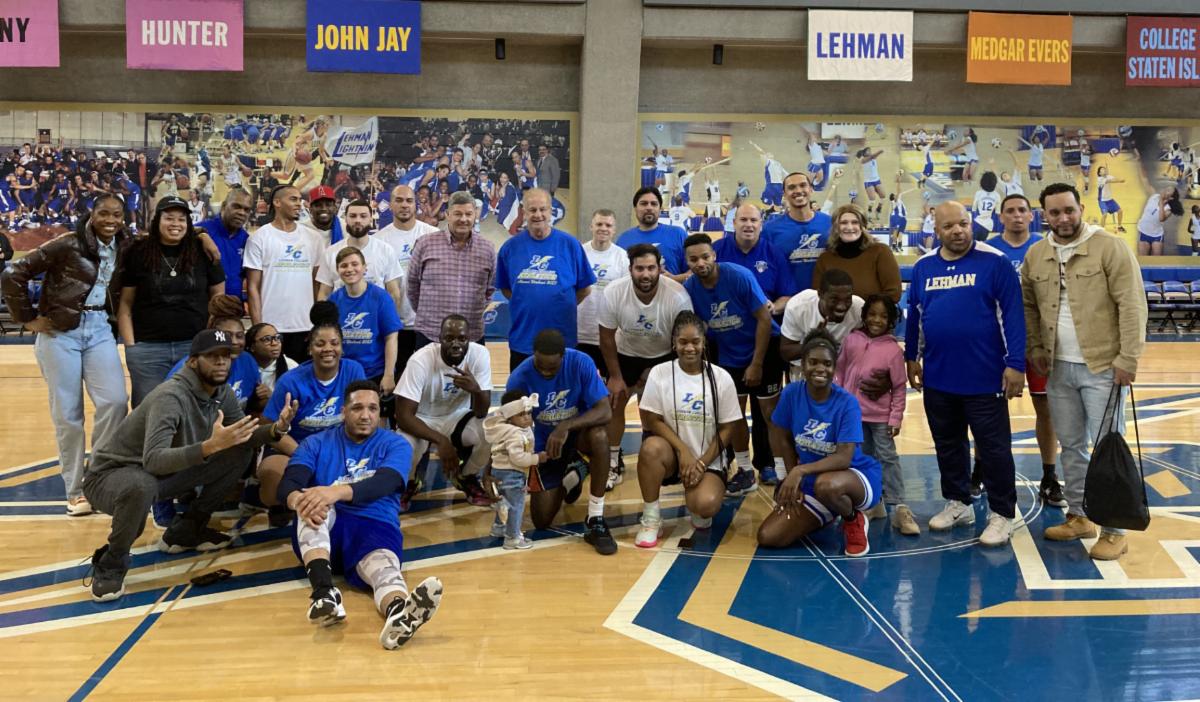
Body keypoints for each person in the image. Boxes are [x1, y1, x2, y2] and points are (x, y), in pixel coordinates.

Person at [82, 329, 298, 602]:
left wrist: (276, 430)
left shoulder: (222, 392)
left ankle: (187, 530)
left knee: (239, 452)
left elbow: (240, 434)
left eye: (226, 356)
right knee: (140, 485)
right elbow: (154, 460)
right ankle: (111, 563)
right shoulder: (170, 397)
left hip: (157, 477)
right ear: (193, 361)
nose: (221, 362)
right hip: (109, 478)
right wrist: (209, 447)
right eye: (212, 356)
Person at [1022, 182, 1147, 561]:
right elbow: (1028, 306)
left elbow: (1132, 304)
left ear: (1081, 208)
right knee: (1071, 446)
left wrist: (1129, 359)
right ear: (1044, 214)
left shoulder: (1110, 247)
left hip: (1104, 367)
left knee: (1107, 447)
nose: (1063, 218)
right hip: (1059, 367)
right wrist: (1036, 348)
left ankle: (1114, 529)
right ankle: (1079, 515)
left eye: (1069, 210)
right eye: (1054, 212)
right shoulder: (1036, 254)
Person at [278, 380, 442, 649]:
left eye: (372, 408)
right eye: (357, 408)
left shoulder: (395, 444)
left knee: (384, 570)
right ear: (343, 411)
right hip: (326, 531)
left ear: (380, 412)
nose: (365, 415)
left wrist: (336, 491)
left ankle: (399, 614)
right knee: (313, 505)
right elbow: (290, 482)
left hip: (374, 524)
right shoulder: (316, 443)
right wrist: (298, 499)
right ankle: (324, 592)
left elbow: (386, 482)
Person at [1, 193, 130, 515]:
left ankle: (97, 479)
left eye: (117, 214)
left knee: (115, 402)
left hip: (100, 326)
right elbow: (12, 273)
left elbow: (163, 237)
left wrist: (199, 234)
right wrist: (27, 318)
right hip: (60, 332)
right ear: (92, 213)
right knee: (68, 416)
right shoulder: (67, 243)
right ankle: (75, 492)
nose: (110, 220)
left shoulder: (126, 244)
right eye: (104, 214)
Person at [905, 201, 1025, 547]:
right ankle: (959, 502)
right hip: (940, 376)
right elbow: (915, 314)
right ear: (935, 230)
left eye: (963, 224)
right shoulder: (924, 266)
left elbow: (1014, 316)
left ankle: (1003, 513)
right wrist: (911, 356)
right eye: (949, 227)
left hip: (985, 376)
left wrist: (1015, 364)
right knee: (947, 443)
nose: (957, 231)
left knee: (994, 448)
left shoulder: (994, 262)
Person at [757, 328, 882, 556]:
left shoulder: (847, 403)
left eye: (827, 363)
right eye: (813, 362)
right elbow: (782, 438)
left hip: (854, 475)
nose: (820, 369)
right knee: (768, 536)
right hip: (812, 479)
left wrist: (799, 471)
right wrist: (788, 477)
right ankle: (826, 511)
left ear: (835, 368)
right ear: (802, 365)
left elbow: (844, 458)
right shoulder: (792, 394)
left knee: (827, 486)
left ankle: (853, 519)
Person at [682, 233, 789, 495]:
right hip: (730, 355)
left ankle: (782, 472)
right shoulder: (691, 288)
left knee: (770, 414)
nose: (700, 263)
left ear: (714, 255)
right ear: (687, 261)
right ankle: (744, 470)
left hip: (764, 348)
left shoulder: (738, 276)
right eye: (693, 259)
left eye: (705, 256)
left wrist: (757, 364)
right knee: (734, 415)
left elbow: (764, 319)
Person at [634, 311, 742, 548]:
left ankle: (696, 493)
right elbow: (652, 419)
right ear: (674, 343)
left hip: (708, 459)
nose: (689, 348)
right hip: (674, 455)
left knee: (704, 508)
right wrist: (683, 451)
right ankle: (652, 518)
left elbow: (727, 429)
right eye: (683, 342)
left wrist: (701, 462)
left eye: (695, 342)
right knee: (651, 448)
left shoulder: (721, 378)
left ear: (704, 343)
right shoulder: (660, 373)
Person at [505, 329, 616, 555]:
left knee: (600, 436)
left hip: (579, 435)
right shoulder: (519, 378)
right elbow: (510, 428)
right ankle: (574, 474)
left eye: (552, 367)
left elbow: (605, 411)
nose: (545, 372)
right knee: (542, 520)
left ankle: (596, 517)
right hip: (546, 447)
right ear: (532, 354)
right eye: (540, 366)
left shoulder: (581, 362)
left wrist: (565, 426)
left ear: (563, 357)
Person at [988, 194, 1066, 507]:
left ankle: (1049, 476)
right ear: (1001, 216)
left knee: (1045, 410)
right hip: (996, 340)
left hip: (1036, 340)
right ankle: (982, 470)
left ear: (1032, 216)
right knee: (989, 410)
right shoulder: (990, 250)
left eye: (1023, 210)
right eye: (1011, 211)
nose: (1017, 215)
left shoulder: (1044, 247)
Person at [598, 244, 693, 491]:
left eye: (651, 268)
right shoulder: (613, 292)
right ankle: (613, 460)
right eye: (639, 268)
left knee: (657, 411)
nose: (646, 274)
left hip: (664, 355)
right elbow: (606, 337)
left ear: (660, 268)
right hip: (626, 353)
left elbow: (685, 341)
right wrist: (616, 377)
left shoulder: (678, 296)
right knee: (615, 401)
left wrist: (658, 373)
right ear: (630, 269)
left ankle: (660, 450)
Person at [257, 304, 367, 516]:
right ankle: (267, 499)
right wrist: (306, 455)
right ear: (310, 348)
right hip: (293, 446)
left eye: (334, 343)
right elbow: (267, 427)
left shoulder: (354, 370)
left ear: (342, 347)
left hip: (337, 445)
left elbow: (365, 416)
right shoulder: (291, 381)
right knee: (275, 479)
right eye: (320, 344)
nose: (328, 349)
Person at [118, 195, 226, 407]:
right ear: (157, 220)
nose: (175, 224)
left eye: (181, 219)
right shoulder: (138, 252)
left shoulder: (203, 250)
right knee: (148, 412)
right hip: (147, 349)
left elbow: (218, 300)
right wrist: (132, 347)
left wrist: (207, 339)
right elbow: (125, 304)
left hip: (194, 347)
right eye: (169, 218)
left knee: (192, 409)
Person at [394, 314, 493, 507]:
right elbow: (403, 416)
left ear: (469, 339)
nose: (456, 344)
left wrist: (476, 391)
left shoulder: (479, 355)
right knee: (403, 445)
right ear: (439, 339)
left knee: (490, 429)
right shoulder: (421, 360)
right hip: (421, 419)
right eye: (449, 338)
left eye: (462, 339)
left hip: (455, 417)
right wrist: (441, 441)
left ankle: (466, 478)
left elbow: (482, 412)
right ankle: (410, 482)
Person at [836, 295, 915, 534]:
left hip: (880, 418)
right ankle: (874, 502)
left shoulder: (893, 351)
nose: (876, 320)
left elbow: (899, 387)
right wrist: (838, 404)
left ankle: (899, 506)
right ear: (864, 316)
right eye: (872, 314)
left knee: (887, 458)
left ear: (891, 320)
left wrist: (895, 417)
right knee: (864, 459)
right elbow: (839, 371)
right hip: (853, 416)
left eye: (883, 316)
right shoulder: (851, 340)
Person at [495, 188, 595, 371]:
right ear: (524, 212)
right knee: (522, 399)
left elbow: (585, 288)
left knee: (562, 397)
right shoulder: (509, 248)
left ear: (551, 211)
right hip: (523, 342)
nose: (538, 215)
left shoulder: (571, 245)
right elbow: (507, 289)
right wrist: (528, 301)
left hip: (563, 341)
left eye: (543, 209)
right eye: (532, 210)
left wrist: (561, 303)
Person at [406, 191, 496, 346]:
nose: (463, 219)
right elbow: (412, 286)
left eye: (468, 214)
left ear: (475, 215)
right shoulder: (425, 244)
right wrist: (429, 315)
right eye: (457, 214)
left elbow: (490, 290)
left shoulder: (487, 249)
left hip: (470, 334)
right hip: (431, 334)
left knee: (469, 372)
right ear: (447, 214)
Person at [244, 185, 321, 363]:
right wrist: (259, 329)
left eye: (300, 200)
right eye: (293, 199)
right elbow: (253, 287)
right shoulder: (259, 238)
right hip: (272, 328)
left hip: (306, 327)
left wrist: (318, 325)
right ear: (277, 202)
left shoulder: (313, 238)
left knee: (302, 385)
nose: (299, 204)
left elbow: (318, 284)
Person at [374, 185, 440, 375]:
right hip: (396, 325)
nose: (404, 205)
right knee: (399, 380)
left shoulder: (433, 235)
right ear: (391, 205)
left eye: (409, 201)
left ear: (416, 205)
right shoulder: (379, 240)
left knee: (427, 379)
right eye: (399, 200)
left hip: (428, 324)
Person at [328, 247, 402, 396]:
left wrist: (388, 375)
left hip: (375, 372)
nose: (349, 269)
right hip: (344, 373)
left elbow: (391, 338)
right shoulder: (333, 300)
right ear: (337, 270)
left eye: (354, 264)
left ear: (364, 268)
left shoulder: (381, 298)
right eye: (344, 265)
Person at [482, 391, 543, 550]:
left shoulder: (509, 429)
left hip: (499, 471)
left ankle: (499, 527)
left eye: (529, 413)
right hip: (512, 473)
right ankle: (513, 538)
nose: (527, 417)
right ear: (510, 418)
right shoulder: (515, 433)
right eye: (521, 414)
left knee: (504, 502)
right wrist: (537, 459)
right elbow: (518, 458)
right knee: (516, 505)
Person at [780, 268, 863, 381]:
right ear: (820, 294)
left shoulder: (859, 308)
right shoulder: (798, 306)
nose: (842, 306)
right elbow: (786, 352)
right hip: (805, 367)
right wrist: (815, 343)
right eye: (834, 299)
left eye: (847, 299)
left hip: (844, 367)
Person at [577, 208, 629, 383]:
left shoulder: (622, 257)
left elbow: (625, 297)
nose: (603, 228)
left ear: (614, 230)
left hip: (609, 336)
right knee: (581, 383)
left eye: (608, 225)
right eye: (599, 224)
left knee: (608, 385)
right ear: (591, 226)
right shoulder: (579, 252)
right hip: (580, 332)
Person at [811, 204, 901, 303]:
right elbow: (819, 295)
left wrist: (867, 313)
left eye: (855, 222)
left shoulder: (880, 252)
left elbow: (893, 293)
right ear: (836, 227)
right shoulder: (825, 258)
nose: (849, 227)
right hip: (836, 317)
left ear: (863, 226)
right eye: (844, 223)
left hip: (871, 317)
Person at [316, 199, 402, 301]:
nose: (358, 220)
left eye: (363, 216)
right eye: (353, 216)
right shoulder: (330, 253)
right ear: (345, 219)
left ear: (371, 218)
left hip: (376, 315)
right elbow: (324, 294)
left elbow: (394, 293)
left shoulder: (386, 250)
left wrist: (391, 317)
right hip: (340, 315)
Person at [763, 172, 833, 293]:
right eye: (791, 187)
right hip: (787, 303)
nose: (798, 190)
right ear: (784, 194)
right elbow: (765, 269)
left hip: (825, 302)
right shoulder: (770, 229)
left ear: (811, 189)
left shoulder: (830, 223)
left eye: (803, 185)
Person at [616, 187, 688, 280]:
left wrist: (675, 278)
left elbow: (694, 271)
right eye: (644, 204)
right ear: (635, 208)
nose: (649, 208)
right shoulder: (623, 239)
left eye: (654, 204)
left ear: (660, 209)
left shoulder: (678, 234)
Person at [196, 188, 253, 300]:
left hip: (233, 308)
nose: (242, 213)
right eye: (236, 206)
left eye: (246, 210)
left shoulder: (247, 240)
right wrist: (201, 234)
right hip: (204, 307)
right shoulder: (203, 229)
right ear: (223, 206)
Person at [244, 322, 298, 408]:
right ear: (252, 346)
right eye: (267, 339)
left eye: (277, 338)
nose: (275, 343)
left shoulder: (292, 367)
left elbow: (298, 401)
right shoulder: (242, 366)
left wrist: (272, 397)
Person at [1135, 185, 1182, 256]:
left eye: (1168, 190)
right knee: (1143, 261)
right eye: (1166, 188)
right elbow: (1145, 181)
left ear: (1171, 198)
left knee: (1156, 262)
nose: (1165, 190)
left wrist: (1161, 203)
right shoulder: (1153, 195)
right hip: (1144, 232)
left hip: (1156, 236)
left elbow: (1161, 218)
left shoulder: (1168, 209)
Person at [1094, 166, 1126, 233]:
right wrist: (1120, 181)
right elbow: (1110, 181)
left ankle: (1119, 226)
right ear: (1099, 173)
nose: (1104, 170)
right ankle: (1101, 230)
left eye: (1105, 169)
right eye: (1102, 170)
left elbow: (1114, 178)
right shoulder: (1100, 179)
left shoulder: (1108, 176)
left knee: (1120, 211)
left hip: (1110, 200)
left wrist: (1119, 179)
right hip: (1102, 200)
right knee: (1104, 214)